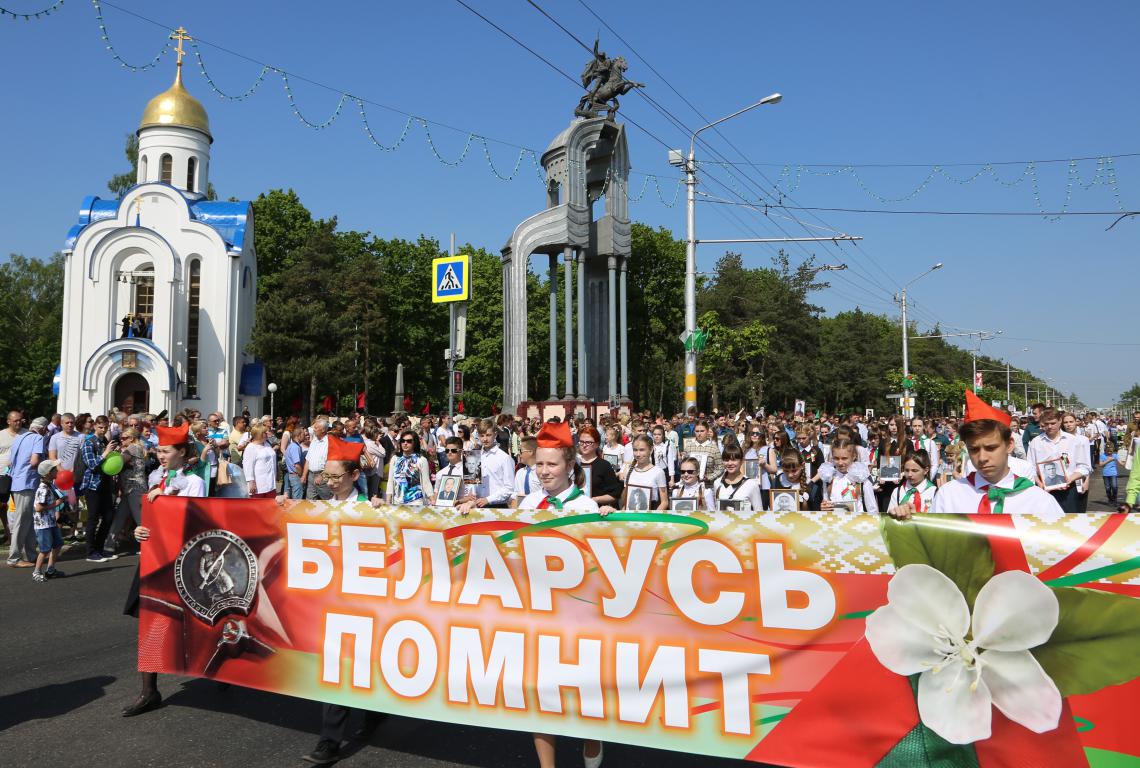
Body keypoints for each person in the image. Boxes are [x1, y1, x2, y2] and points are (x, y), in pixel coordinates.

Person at [516, 421, 603, 768]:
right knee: (539, 694)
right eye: (538, 464)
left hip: (576, 618)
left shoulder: (586, 509)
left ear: (570, 465)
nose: (543, 471)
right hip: (535, 614)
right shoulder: (527, 503)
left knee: (579, 690)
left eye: (551, 464)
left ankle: (593, 734)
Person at [124, 422, 207, 718]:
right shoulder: (154, 475)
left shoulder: (195, 481)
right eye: (158, 449)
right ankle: (149, 691)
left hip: (182, 558)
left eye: (166, 450)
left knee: (199, 623)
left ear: (182, 452)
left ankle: (223, 674)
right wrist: (141, 530)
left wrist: (169, 495)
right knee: (149, 618)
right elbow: (151, 518)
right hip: (154, 556)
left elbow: (193, 519)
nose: (160, 455)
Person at [932, 392, 1064, 519]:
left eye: (991, 448)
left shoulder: (1038, 501)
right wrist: (912, 520)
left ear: (1009, 445)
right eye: (974, 449)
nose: (982, 458)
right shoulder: (948, 496)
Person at [1026, 407, 1091, 514]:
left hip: (1069, 491)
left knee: (1070, 521)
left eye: (1053, 423)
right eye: (1046, 424)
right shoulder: (1036, 442)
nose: (1049, 427)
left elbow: (1084, 467)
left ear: (1060, 421)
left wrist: (1070, 479)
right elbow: (1030, 468)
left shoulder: (1073, 441)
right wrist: (1040, 484)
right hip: (1044, 490)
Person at [6, 415, 46, 567]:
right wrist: (46, 466)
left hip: (16, 483)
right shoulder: (38, 439)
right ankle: (14, 558)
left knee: (27, 521)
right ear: (42, 429)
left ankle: (31, 554)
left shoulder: (19, 437)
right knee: (22, 522)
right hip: (27, 483)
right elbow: (35, 461)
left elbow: (10, 462)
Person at [457, 420, 515, 513]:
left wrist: (488, 499)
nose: (485, 439)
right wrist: (471, 494)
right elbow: (471, 484)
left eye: (488, 435)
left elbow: (509, 488)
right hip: (477, 507)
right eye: (481, 435)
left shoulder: (504, 458)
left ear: (495, 434)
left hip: (498, 508)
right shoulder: (473, 456)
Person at [31, 459, 67, 582]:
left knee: (57, 545)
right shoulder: (43, 489)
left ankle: (50, 569)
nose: (57, 470)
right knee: (45, 549)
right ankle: (36, 572)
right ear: (47, 473)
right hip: (43, 524)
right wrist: (56, 504)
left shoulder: (50, 485)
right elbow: (39, 507)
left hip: (50, 521)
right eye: (54, 469)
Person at [820, 439, 878, 513]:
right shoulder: (829, 478)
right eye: (836, 458)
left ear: (853, 456)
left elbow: (872, 510)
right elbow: (826, 502)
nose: (840, 463)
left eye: (844, 458)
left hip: (858, 522)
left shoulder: (861, 478)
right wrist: (825, 507)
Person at [618, 434, 668, 512]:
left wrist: (653, 518)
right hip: (631, 517)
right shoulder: (629, 471)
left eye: (642, 450)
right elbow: (626, 502)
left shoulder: (658, 472)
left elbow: (664, 502)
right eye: (635, 450)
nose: (638, 454)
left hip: (650, 517)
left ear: (651, 450)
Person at [576, 425, 622, 507]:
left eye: (588, 442)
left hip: (596, 511)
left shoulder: (604, 465)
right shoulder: (574, 463)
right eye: (581, 442)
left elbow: (614, 494)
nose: (584, 445)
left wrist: (594, 499)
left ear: (597, 444)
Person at [712, 444, 764, 513]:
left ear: (741, 461)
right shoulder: (717, 483)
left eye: (733, 460)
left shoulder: (751, 484)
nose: (730, 463)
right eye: (726, 460)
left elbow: (759, 512)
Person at [884, 451, 937, 519]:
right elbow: (889, 518)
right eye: (906, 470)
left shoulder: (934, 492)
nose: (909, 475)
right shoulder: (898, 491)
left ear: (926, 470)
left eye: (914, 471)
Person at [385, 430, 432, 505]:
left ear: (415, 443)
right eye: (403, 441)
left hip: (416, 502)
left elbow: (426, 482)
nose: (405, 443)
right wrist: (388, 501)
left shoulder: (421, 460)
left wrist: (432, 499)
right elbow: (390, 481)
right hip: (397, 501)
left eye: (409, 441)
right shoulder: (395, 458)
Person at [685, 419, 724, 485]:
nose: (699, 434)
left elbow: (720, 468)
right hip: (690, 485)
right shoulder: (688, 447)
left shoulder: (714, 448)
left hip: (708, 486)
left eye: (702, 431)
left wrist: (709, 477)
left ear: (707, 431)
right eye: (697, 431)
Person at [511, 436, 538, 507]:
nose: (519, 454)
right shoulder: (520, 472)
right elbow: (515, 494)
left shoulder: (541, 473)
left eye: (520, 451)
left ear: (530, 452)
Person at [1100, 440, 1119, 507]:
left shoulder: (1115, 455)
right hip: (1105, 474)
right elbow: (1100, 464)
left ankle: (1115, 499)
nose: (1109, 453)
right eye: (1108, 451)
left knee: (1114, 486)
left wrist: (1126, 464)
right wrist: (1108, 460)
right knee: (1108, 488)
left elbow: (1120, 462)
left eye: (1111, 451)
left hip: (1113, 473)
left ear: (1113, 450)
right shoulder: (1102, 456)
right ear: (1105, 450)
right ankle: (1110, 499)